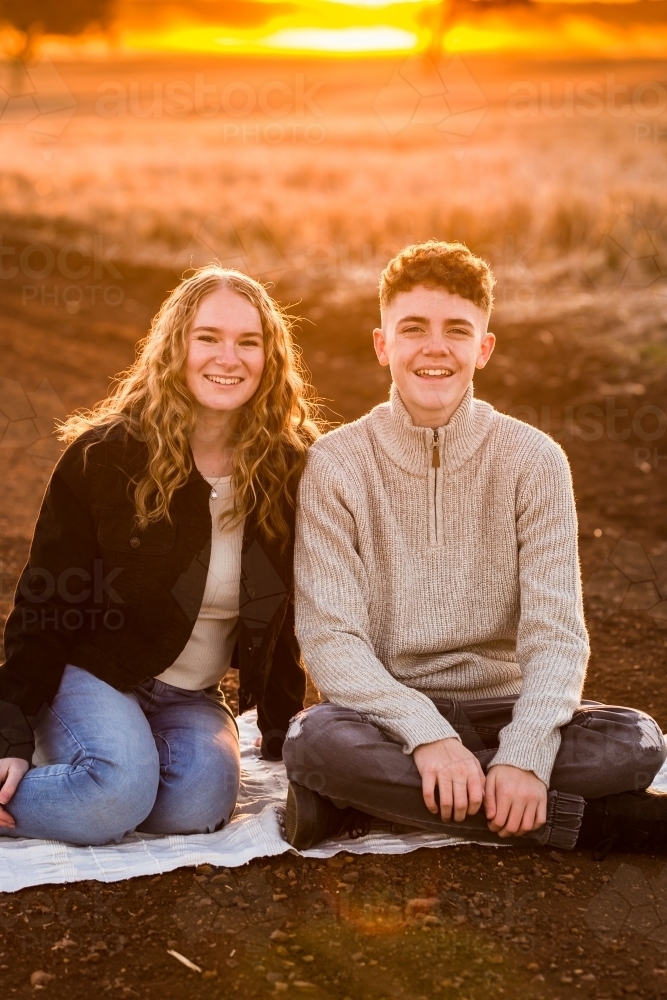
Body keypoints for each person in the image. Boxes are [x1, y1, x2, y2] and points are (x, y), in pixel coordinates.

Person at [283, 240, 667, 855]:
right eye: (413, 328)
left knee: (638, 740)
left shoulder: (535, 460)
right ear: (382, 344)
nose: (435, 347)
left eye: (456, 330)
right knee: (314, 741)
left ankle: (368, 805)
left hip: (503, 710)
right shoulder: (335, 464)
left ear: (482, 348)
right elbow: (330, 639)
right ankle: (593, 824)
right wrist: (426, 735)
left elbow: (557, 635)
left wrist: (526, 752)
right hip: (385, 718)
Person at [0, 265, 319, 845]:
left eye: (249, 342)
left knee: (197, 804)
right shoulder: (105, 457)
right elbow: (44, 601)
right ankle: (96, 777)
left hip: (191, 694)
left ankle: (107, 775)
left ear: (270, 359)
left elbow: (286, 612)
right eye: (208, 338)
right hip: (93, 674)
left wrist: (279, 730)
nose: (229, 357)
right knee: (115, 794)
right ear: (176, 347)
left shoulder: (290, 468)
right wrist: (9, 734)